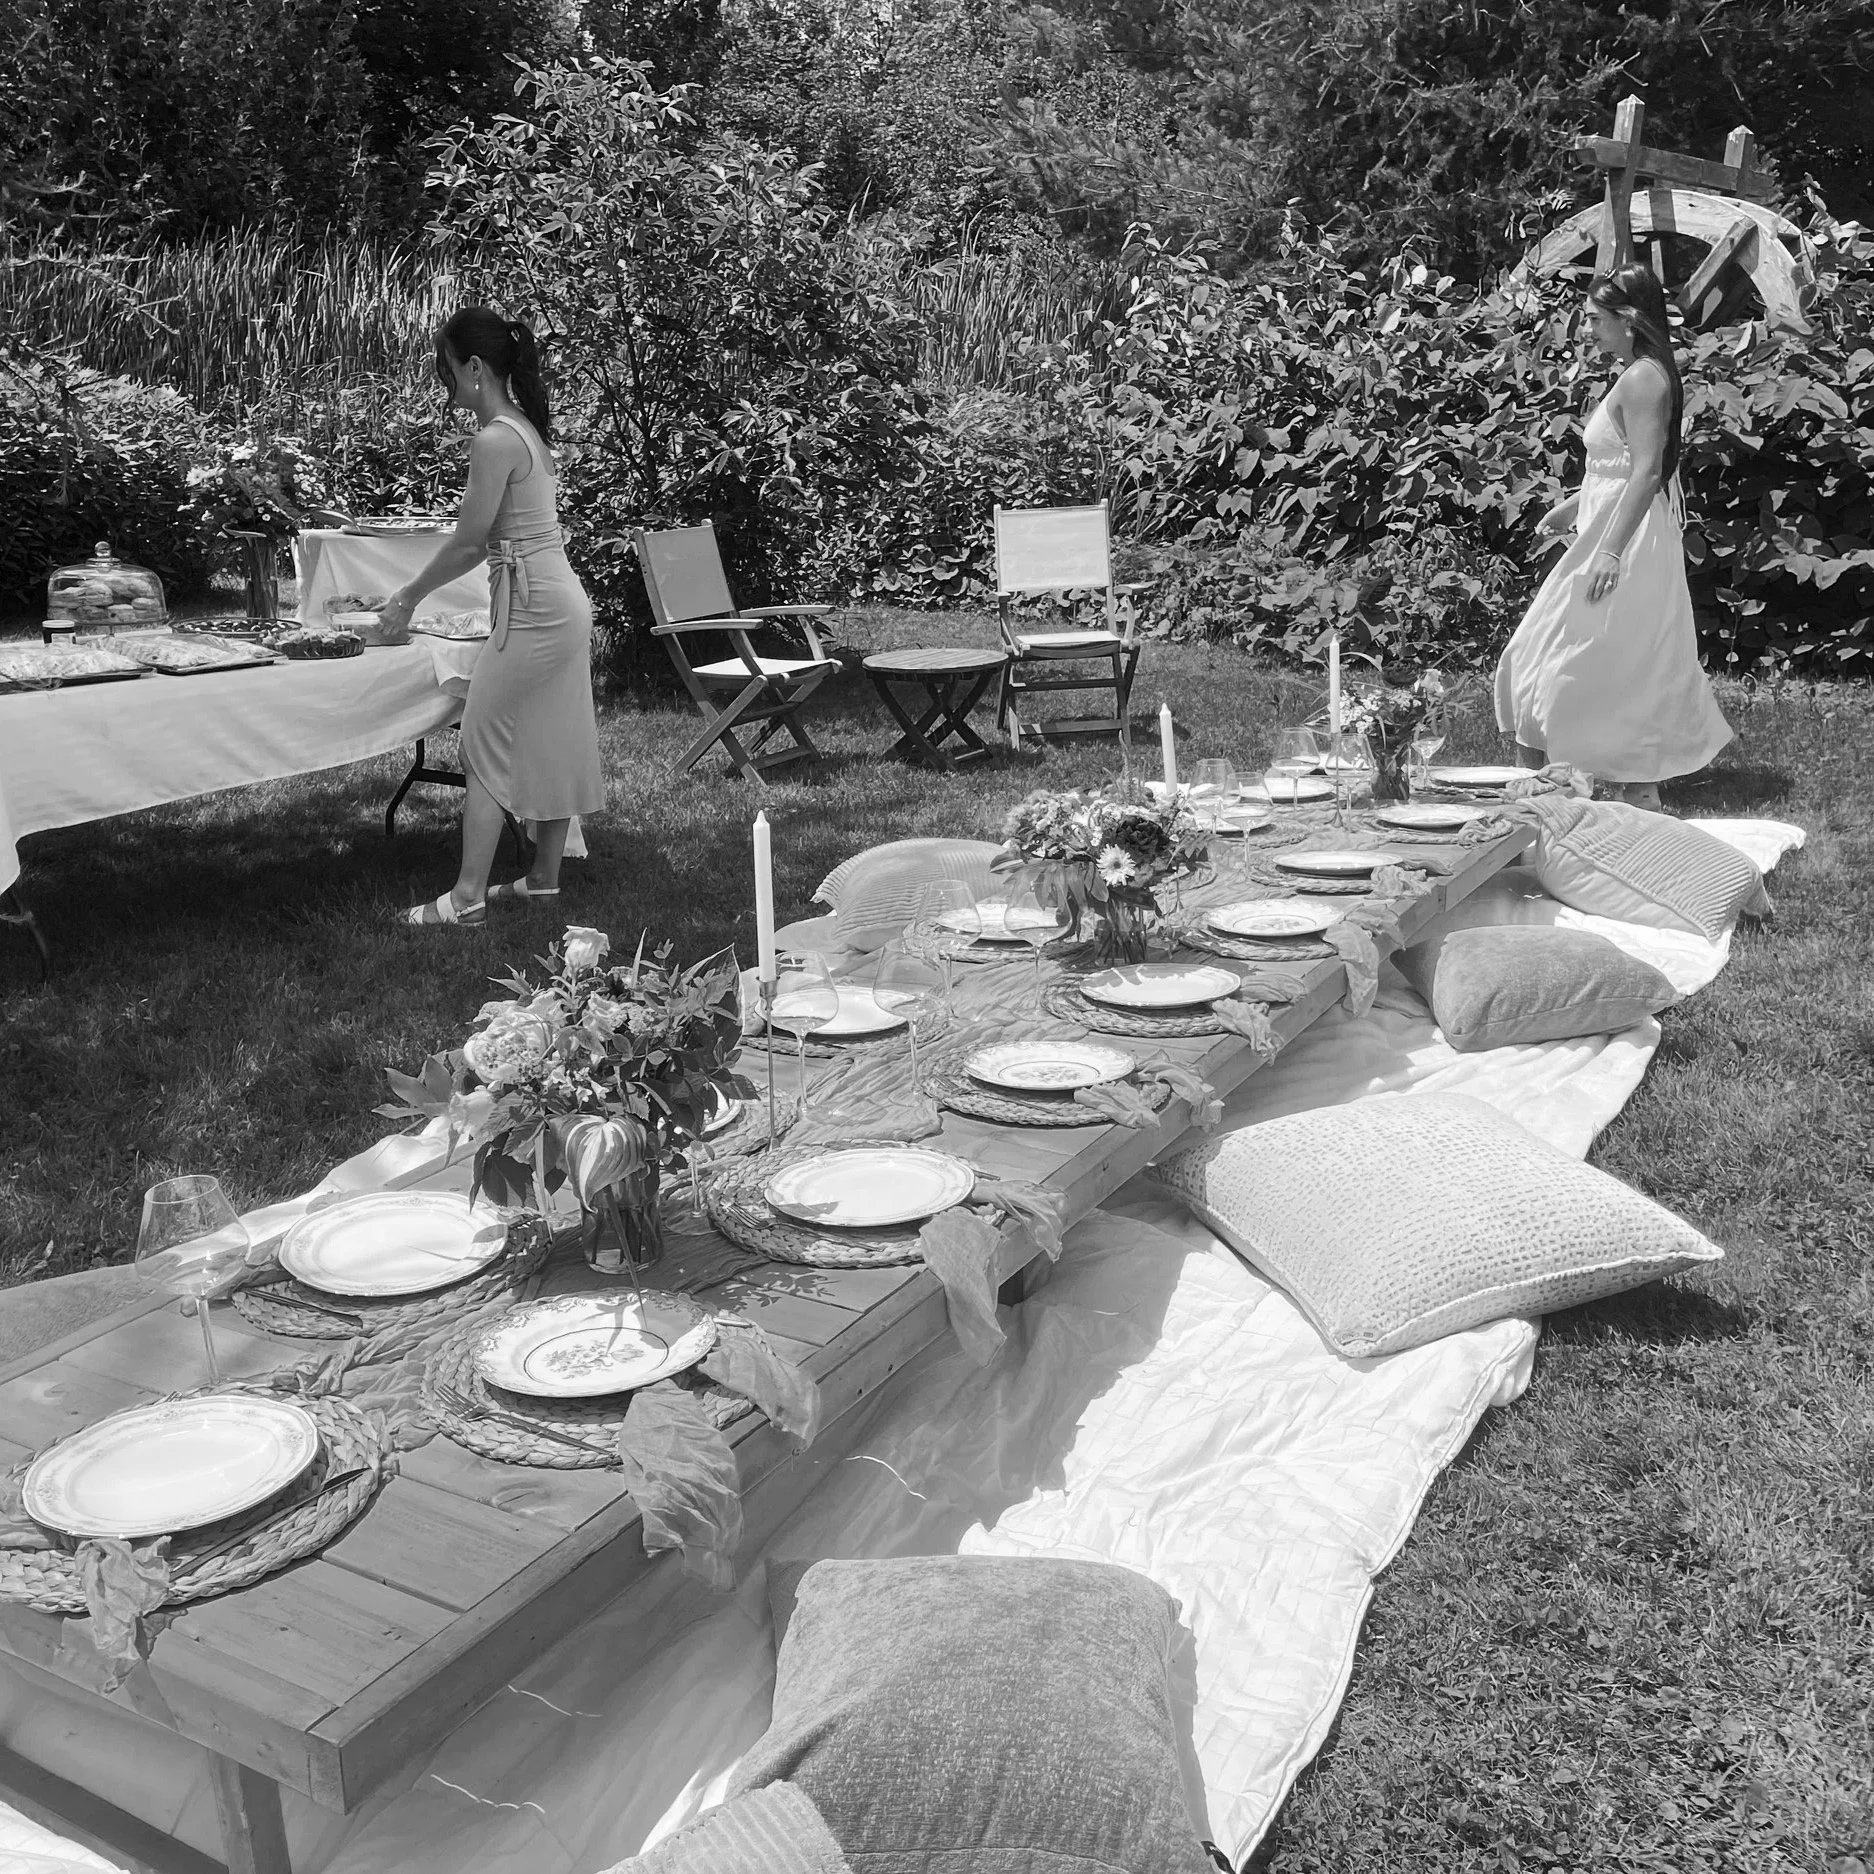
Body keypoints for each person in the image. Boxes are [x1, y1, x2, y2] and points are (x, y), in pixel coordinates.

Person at [378, 308, 604, 924]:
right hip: (554, 601)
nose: (444, 383)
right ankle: (542, 880)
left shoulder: (496, 437)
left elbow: (470, 541)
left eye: (446, 369)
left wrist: (406, 598)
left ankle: (467, 898)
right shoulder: (525, 429)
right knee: (551, 736)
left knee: (480, 743)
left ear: (474, 367)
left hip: (536, 608)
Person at [1493, 263, 1732, 809]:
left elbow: (1649, 473)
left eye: (1595, 319)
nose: (1586, 329)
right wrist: (1569, 507)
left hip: (1625, 542)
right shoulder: (1637, 373)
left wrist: (1609, 551)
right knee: (1576, 658)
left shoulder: (1645, 377)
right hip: (1609, 532)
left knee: (1570, 659)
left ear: (1628, 320)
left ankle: (1564, 796)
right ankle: (1606, 791)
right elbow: (1624, 468)